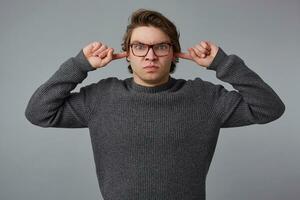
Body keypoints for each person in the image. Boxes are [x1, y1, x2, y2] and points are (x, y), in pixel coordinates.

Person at [25, 8, 285, 200]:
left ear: (173, 52)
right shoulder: (101, 97)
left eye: (160, 46)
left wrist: (223, 63)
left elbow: (270, 108)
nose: (150, 55)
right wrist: (80, 65)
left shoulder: (205, 98)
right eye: (139, 46)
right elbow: (38, 113)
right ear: (127, 52)